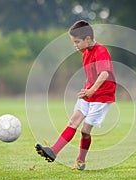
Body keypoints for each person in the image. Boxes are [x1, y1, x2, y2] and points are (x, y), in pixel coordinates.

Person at [35, 20, 116, 171]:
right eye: (74, 42)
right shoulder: (85, 53)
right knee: (73, 121)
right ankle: (53, 151)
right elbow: (92, 74)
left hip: (102, 96)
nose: (75, 45)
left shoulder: (101, 51)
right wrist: (87, 88)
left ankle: (81, 160)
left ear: (88, 39)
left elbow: (104, 73)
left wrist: (92, 90)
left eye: (77, 41)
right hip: (89, 92)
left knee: (85, 131)